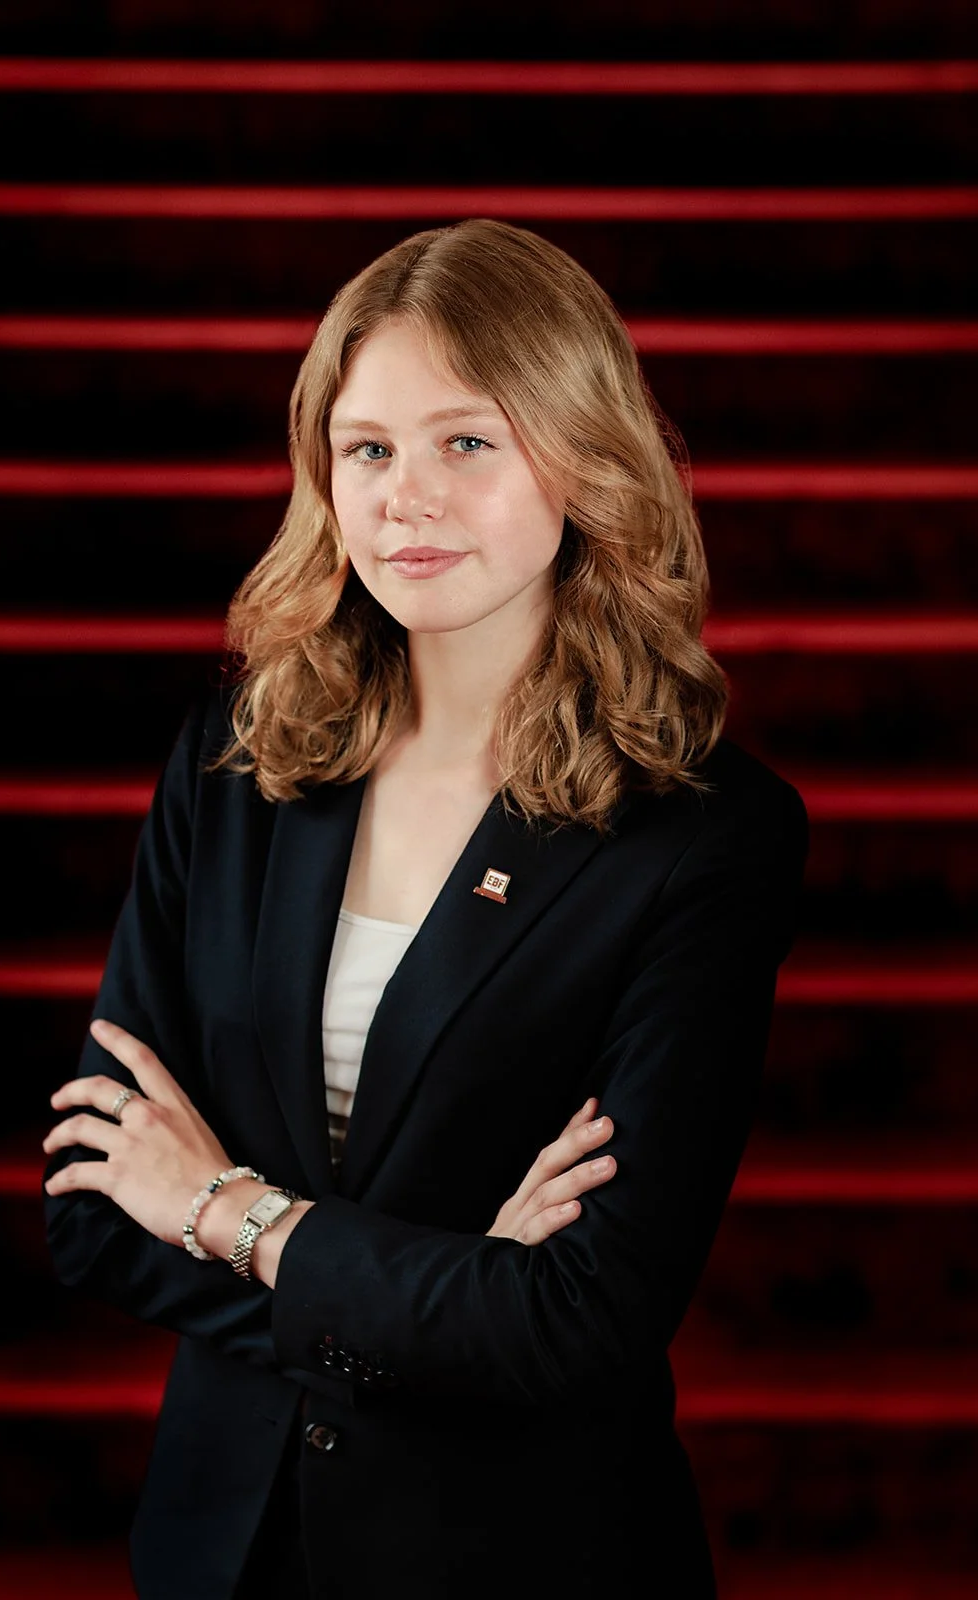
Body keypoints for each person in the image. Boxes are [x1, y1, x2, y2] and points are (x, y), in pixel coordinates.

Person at [42, 217, 808, 1600]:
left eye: (468, 442)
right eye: (368, 447)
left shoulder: (704, 837)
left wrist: (227, 1216)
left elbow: (579, 1318)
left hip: (525, 1556)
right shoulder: (234, 763)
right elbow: (98, 1207)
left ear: (579, 456)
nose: (404, 497)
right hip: (229, 1550)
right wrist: (448, 1290)